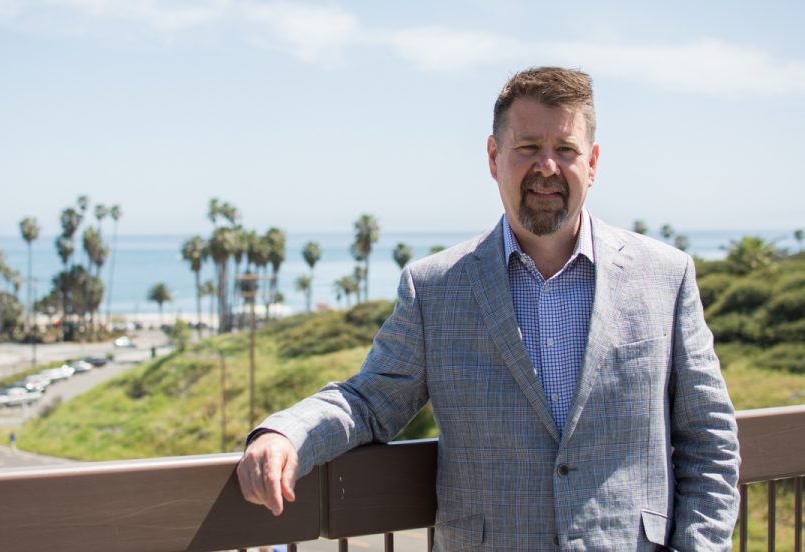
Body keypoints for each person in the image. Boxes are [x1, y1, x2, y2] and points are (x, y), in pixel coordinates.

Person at [237, 67, 740, 550]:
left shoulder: (666, 276)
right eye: (527, 148)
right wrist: (287, 434)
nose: (547, 166)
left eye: (565, 149)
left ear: (593, 162)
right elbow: (368, 402)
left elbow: (710, 442)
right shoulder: (434, 288)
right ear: (493, 156)